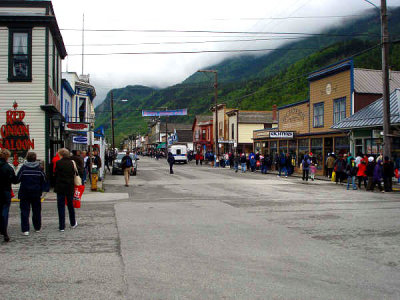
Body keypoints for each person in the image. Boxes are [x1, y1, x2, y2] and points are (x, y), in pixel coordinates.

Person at [16, 152, 47, 235]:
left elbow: (18, 179)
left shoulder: (24, 168)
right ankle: (37, 227)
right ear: (35, 158)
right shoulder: (39, 169)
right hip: (36, 192)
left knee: (24, 211)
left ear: (27, 158)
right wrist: (43, 189)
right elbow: (44, 180)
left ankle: (25, 229)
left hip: (24, 192)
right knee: (36, 210)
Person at [54, 148, 77, 232]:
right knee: (70, 205)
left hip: (60, 187)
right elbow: (74, 173)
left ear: (61, 154)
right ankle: (73, 223)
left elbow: (56, 174)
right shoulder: (72, 163)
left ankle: (62, 226)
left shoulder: (58, 163)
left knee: (61, 206)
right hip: (70, 186)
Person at [0, 149, 17, 242]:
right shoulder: (8, 168)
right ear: (7, 157)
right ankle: (4, 231)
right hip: (5, 190)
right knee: (5, 210)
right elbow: (14, 180)